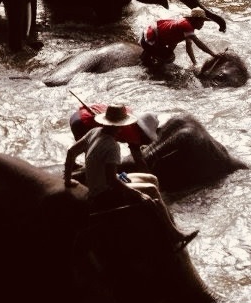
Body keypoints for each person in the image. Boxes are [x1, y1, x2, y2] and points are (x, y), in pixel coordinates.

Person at [64, 104, 198, 252]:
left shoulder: (94, 131)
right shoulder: (112, 146)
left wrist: (68, 180)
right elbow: (111, 181)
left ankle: (160, 213)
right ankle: (175, 234)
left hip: (101, 179)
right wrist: (139, 194)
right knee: (151, 189)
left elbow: (71, 152)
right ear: (120, 126)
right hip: (103, 190)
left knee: (152, 179)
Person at [69, 103, 159, 172]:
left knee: (86, 148)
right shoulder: (133, 133)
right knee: (92, 153)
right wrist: (148, 174)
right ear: (143, 132)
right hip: (82, 122)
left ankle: (73, 165)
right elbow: (138, 159)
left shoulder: (127, 113)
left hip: (79, 114)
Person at [140, 8, 217, 68]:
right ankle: (154, 66)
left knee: (169, 52)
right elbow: (198, 43)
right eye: (201, 22)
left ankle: (150, 56)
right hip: (149, 37)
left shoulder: (189, 28)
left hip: (156, 37)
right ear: (194, 20)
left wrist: (195, 63)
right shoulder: (186, 25)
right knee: (170, 57)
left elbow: (188, 47)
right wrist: (213, 54)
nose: (202, 25)